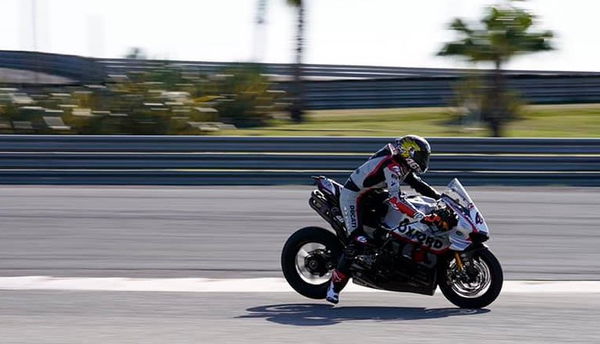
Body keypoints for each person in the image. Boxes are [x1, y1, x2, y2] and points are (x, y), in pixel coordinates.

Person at [326, 135, 442, 304]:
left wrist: (440, 197)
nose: (424, 160)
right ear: (409, 153)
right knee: (357, 241)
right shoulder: (393, 166)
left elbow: (417, 184)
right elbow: (396, 200)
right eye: (421, 156)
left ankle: (380, 253)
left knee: (394, 222)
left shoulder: (402, 163)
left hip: (372, 194)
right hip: (353, 197)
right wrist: (420, 216)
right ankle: (334, 287)